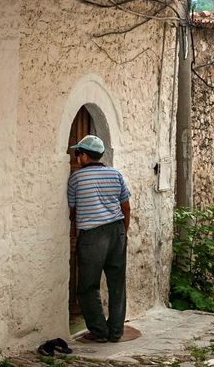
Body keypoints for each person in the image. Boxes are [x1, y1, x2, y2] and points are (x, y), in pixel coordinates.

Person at [67, 135, 131, 343]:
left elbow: (73, 209)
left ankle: (99, 331)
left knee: (87, 286)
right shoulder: (115, 174)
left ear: (84, 156)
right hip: (117, 231)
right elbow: (126, 207)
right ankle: (115, 332)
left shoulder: (76, 178)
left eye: (78, 153)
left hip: (92, 235)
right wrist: (124, 232)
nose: (77, 157)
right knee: (117, 284)